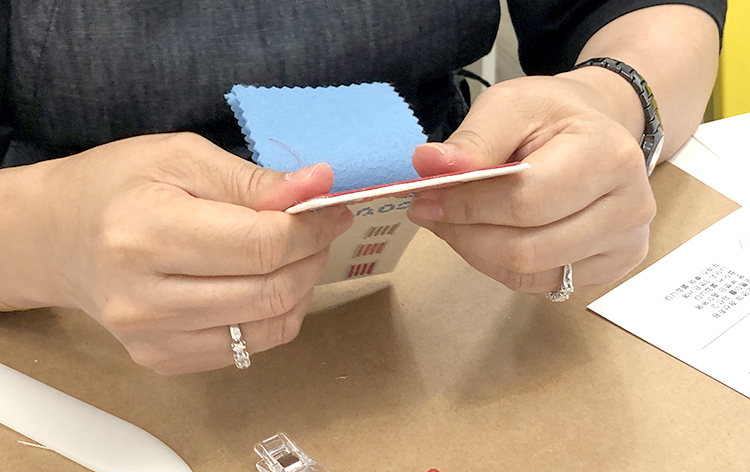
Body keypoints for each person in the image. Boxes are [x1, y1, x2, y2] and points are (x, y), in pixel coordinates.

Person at [0, 0, 727, 374]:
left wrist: (612, 101)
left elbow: (640, 5)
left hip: (458, 286)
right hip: (75, 329)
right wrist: (47, 235)